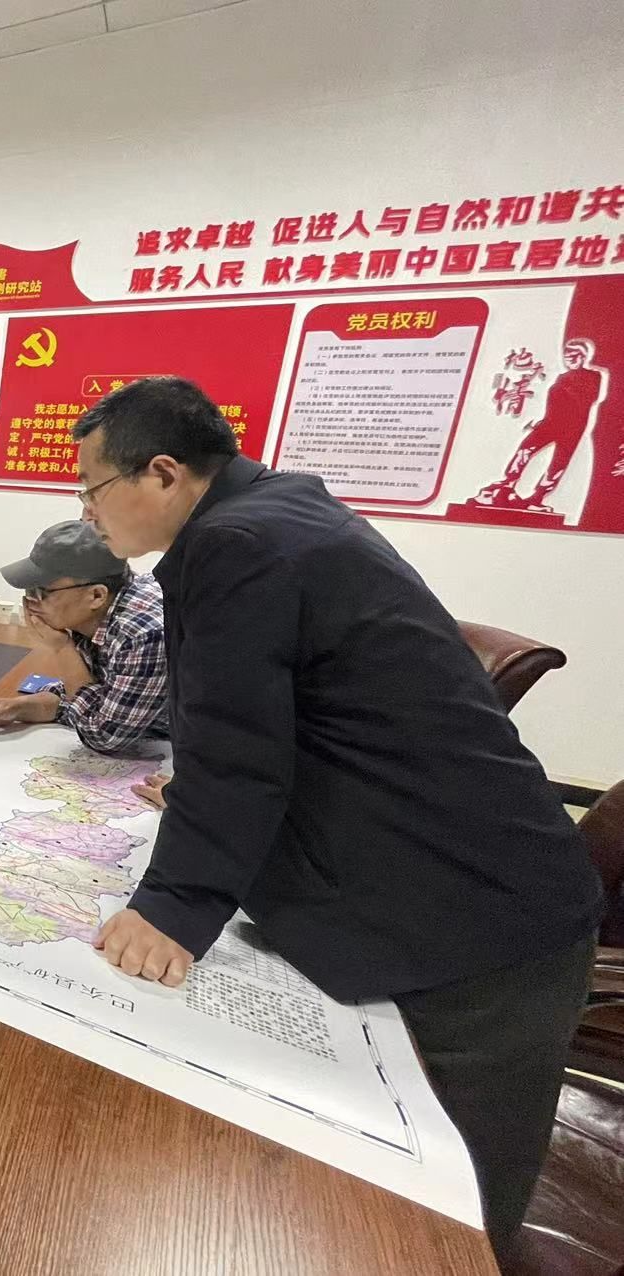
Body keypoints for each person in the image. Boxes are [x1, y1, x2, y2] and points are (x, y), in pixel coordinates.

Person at [75, 376, 602, 1258]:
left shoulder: (235, 544)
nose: (86, 512)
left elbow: (238, 752)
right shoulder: (275, 513)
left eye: (91, 489)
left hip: (483, 930)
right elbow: (291, 714)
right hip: (442, 886)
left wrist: (173, 905)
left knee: (447, 1223)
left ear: (162, 474)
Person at [0, 520, 166, 754]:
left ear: (96, 595)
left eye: (41, 592)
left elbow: (103, 735)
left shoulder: (142, 635)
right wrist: (23, 707)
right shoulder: (103, 606)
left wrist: (62, 649)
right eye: (29, 590)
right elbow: (96, 694)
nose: (30, 602)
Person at [475, 338, 604, 512]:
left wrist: (564, 389)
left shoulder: (593, 376)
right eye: (567, 356)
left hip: (573, 427)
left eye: (574, 356)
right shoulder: (562, 377)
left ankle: (538, 496)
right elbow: (555, 403)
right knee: (525, 449)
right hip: (550, 423)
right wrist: (543, 420)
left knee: (558, 462)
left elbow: (586, 398)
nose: (569, 360)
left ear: (583, 356)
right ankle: (508, 483)